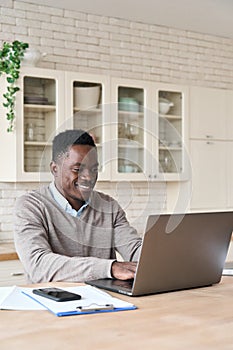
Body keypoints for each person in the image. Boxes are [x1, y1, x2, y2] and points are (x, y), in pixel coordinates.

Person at [14, 129, 142, 283]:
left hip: (105, 302)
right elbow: (38, 266)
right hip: (52, 303)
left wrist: (158, 258)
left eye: (94, 169)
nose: (88, 176)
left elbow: (134, 250)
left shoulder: (109, 207)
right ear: (55, 169)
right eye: (77, 169)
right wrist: (109, 268)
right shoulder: (30, 206)